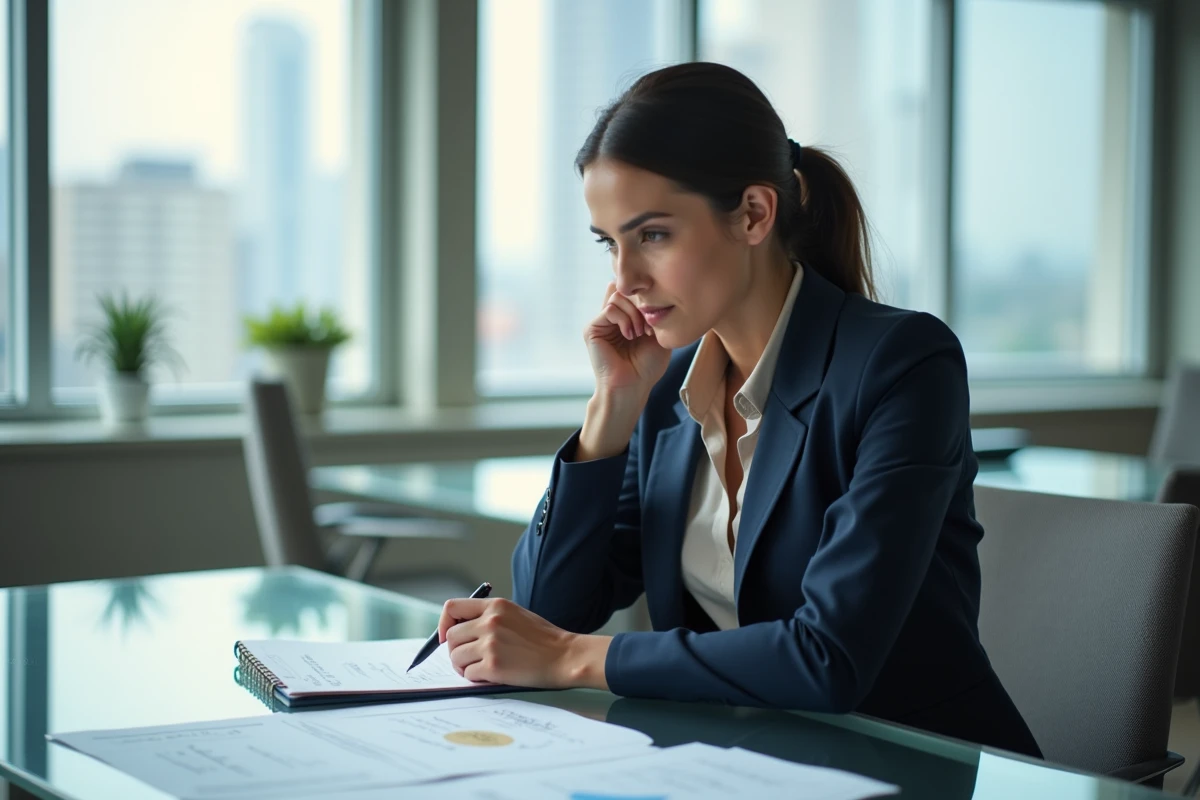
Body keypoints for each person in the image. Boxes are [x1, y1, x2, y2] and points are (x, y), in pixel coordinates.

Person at [435, 61, 1041, 757]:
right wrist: (611, 411)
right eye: (611, 243)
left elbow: (827, 657)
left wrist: (575, 657)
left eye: (653, 236)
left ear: (754, 213)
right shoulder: (667, 391)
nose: (624, 280)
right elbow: (548, 609)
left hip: (905, 761)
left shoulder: (902, 364)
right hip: (739, 764)